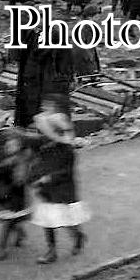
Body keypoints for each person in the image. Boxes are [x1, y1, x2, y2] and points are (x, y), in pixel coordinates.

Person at [28, 94, 88, 264]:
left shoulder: (66, 151)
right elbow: (36, 161)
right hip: (47, 189)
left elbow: (66, 171)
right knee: (48, 220)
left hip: (62, 189)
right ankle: (51, 250)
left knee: (66, 219)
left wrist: (49, 177)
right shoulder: (43, 147)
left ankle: (77, 236)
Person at [13, 22, 74, 128]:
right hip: (34, 85)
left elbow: (65, 64)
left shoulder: (53, 36)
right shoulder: (30, 35)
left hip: (45, 85)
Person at [0, 132, 31, 261]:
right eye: (8, 145)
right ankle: (19, 232)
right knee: (11, 218)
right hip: (3, 193)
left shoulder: (21, 160)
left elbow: (20, 180)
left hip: (15, 194)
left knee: (9, 220)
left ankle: (1, 247)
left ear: (19, 146)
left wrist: (11, 165)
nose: (10, 147)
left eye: (14, 145)